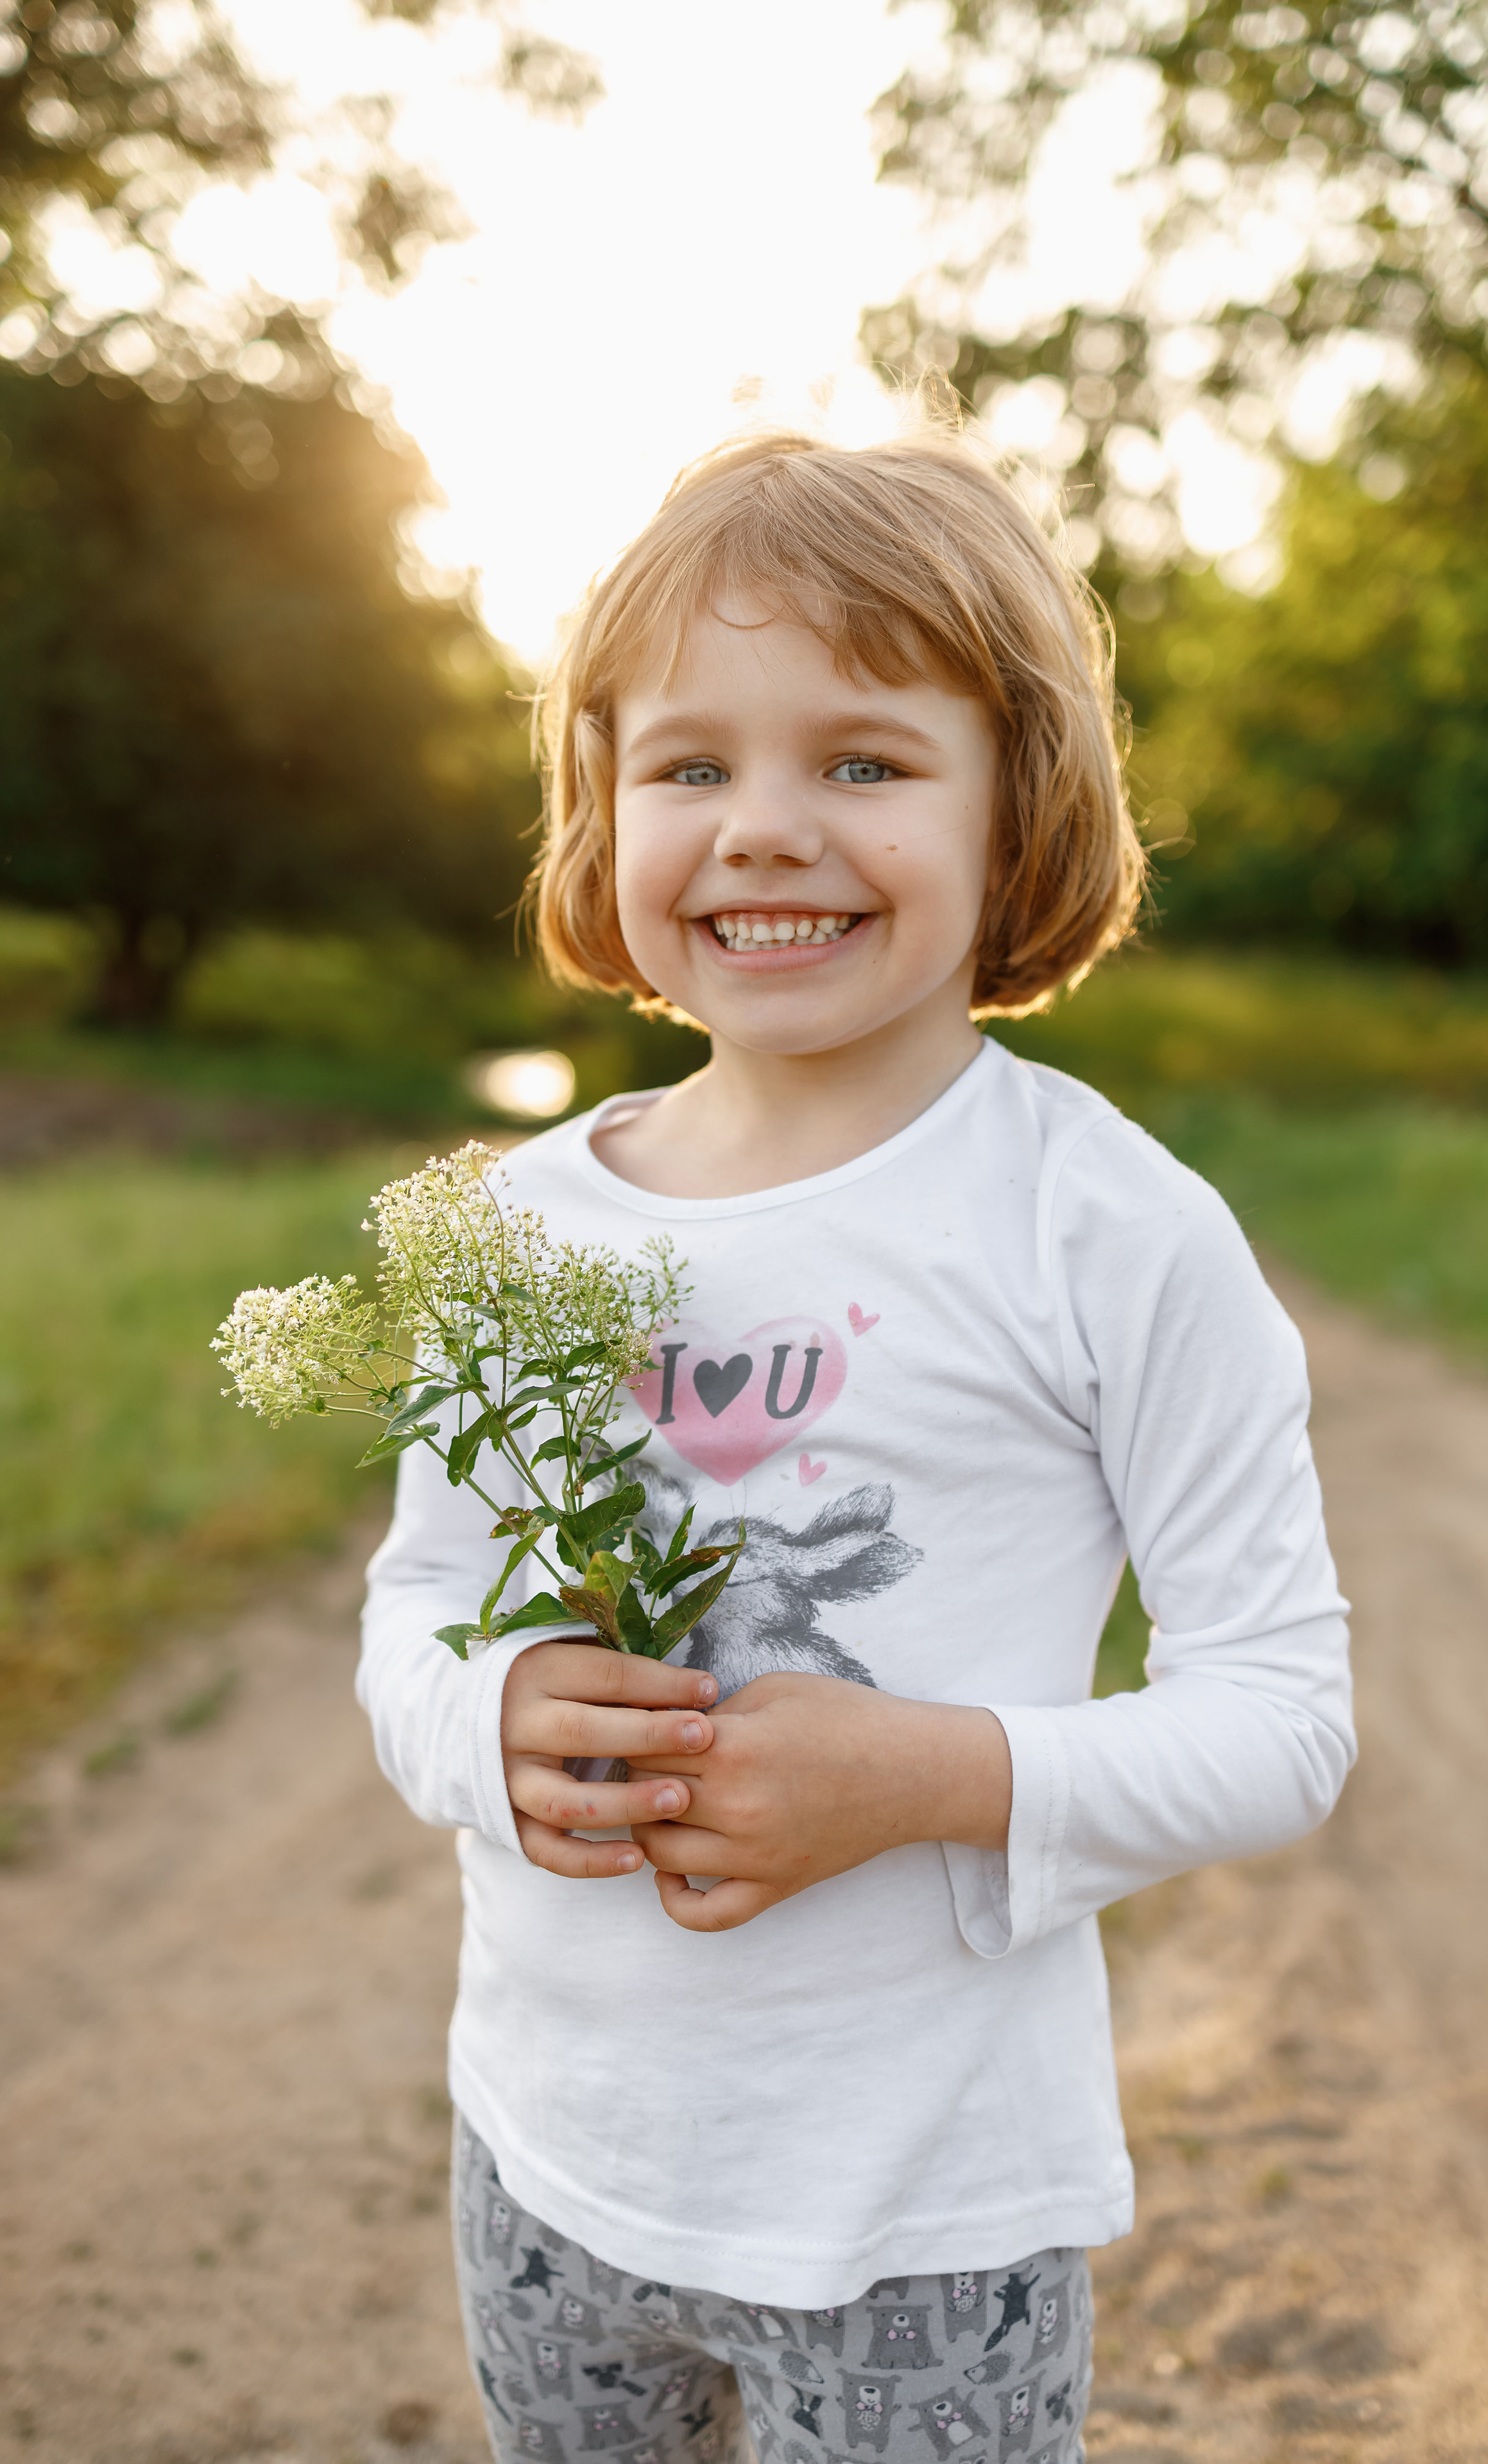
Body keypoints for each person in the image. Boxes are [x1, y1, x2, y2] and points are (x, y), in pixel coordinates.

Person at [359, 429, 1355, 2464]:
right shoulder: (520, 1222)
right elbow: (416, 1618)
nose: (764, 832)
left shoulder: (1109, 1227)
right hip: (550, 2163)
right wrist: (499, 1718)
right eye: (691, 766)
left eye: (867, 763)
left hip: (924, 2210)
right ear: (601, 805)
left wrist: (931, 1777)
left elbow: (1284, 1715)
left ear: (1020, 811)